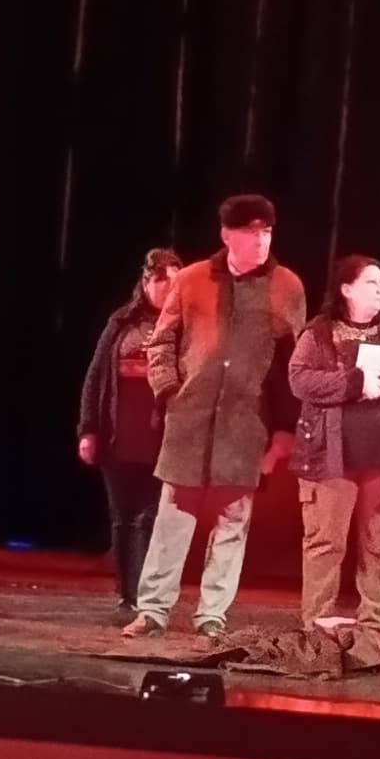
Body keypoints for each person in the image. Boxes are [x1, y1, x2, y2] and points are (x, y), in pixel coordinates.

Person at [126, 194, 307, 644]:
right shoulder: (192, 279)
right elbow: (161, 342)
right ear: (227, 235)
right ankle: (153, 609)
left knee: (232, 521)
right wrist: (169, 390)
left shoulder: (286, 286)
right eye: (251, 232)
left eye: (267, 232)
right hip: (190, 419)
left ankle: (213, 614)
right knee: (173, 517)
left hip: (246, 424)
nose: (261, 241)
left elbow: (293, 362)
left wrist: (285, 428)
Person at [286, 254, 380, 675]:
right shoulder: (320, 332)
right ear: (347, 289)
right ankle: (318, 633)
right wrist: (355, 382)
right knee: (325, 545)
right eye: (371, 282)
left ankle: (371, 634)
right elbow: (299, 379)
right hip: (331, 460)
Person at [76, 249, 183, 621]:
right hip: (119, 436)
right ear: (146, 282)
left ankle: (150, 595)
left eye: (174, 281)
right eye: (160, 280)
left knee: (154, 518)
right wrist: (88, 429)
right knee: (123, 517)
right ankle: (128, 595)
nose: (167, 288)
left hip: (163, 438)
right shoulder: (121, 322)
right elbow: (95, 377)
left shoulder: (187, 324)